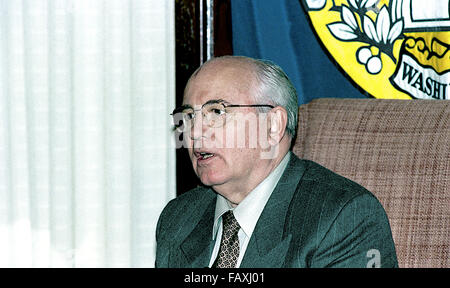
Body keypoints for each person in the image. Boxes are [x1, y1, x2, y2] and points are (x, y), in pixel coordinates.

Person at [155, 56, 398, 268]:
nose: (195, 132)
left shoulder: (345, 218)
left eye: (217, 112)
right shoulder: (178, 218)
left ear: (272, 126)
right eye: (188, 116)